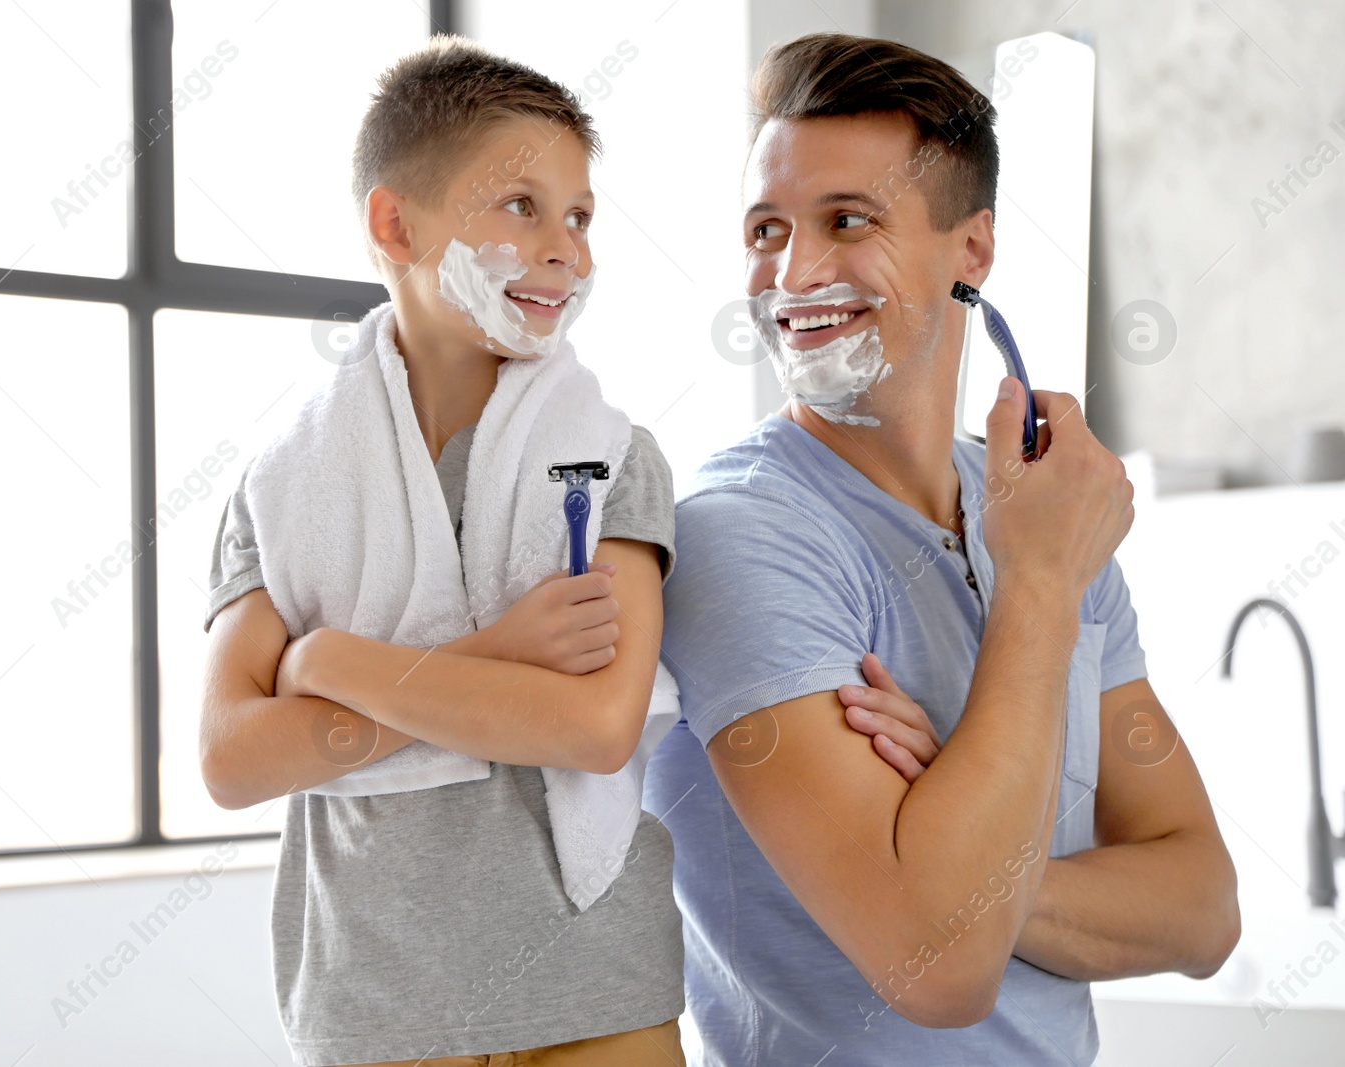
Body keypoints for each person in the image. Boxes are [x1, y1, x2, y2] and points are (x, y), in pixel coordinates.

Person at [644, 32, 1239, 1065]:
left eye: (847, 220)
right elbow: (940, 968)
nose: (793, 270)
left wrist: (968, 868)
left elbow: (1204, 907)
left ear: (973, 249)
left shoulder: (1040, 506)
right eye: (765, 227)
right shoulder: (742, 534)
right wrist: (1041, 585)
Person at [199, 37, 686, 1067]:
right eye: (522, 206)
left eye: (581, 215)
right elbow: (234, 758)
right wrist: (503, 652)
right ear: (394, 223)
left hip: (596, 984)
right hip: (374, 996)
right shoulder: (283, 486)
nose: (568, 250)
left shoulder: (607, 461)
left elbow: (597, 728)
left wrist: (329, 665)